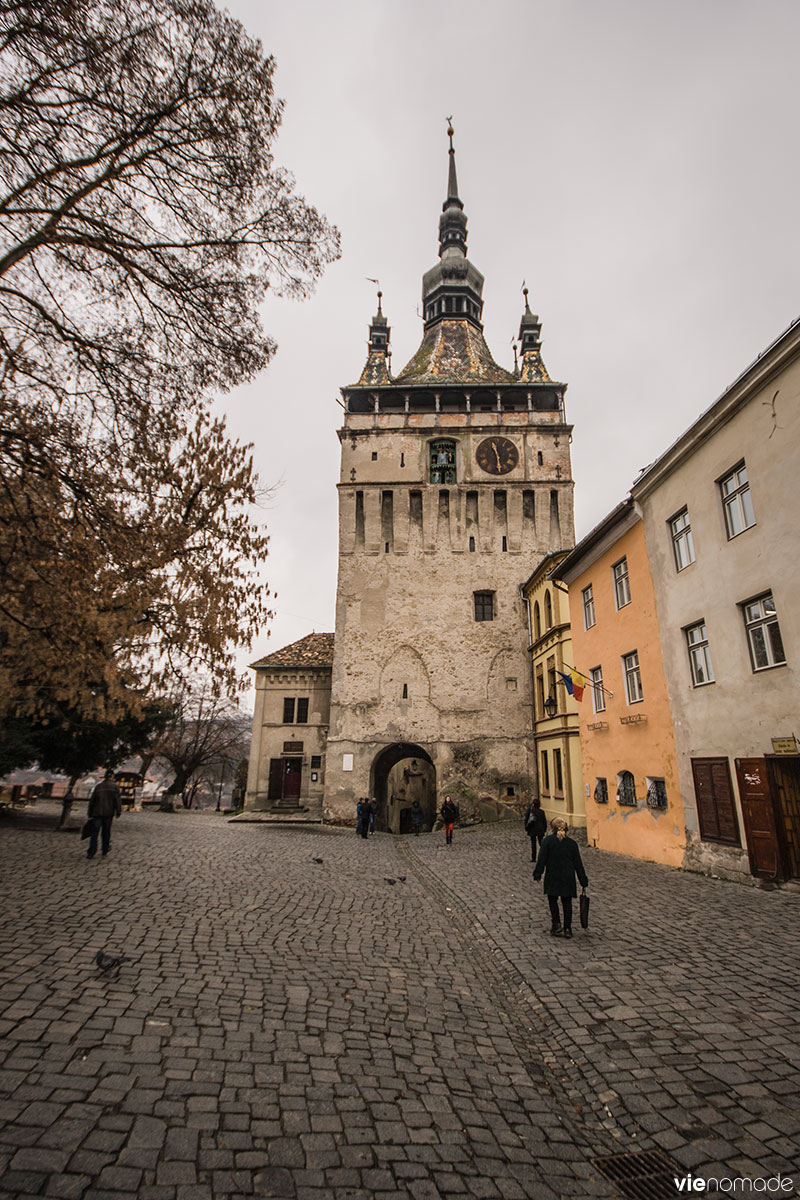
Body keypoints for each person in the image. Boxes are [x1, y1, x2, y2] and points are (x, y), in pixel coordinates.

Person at [533, 817, 588, 939]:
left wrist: (538, 874)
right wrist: (583, 879)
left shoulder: (547, 842)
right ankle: (567, 928)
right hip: (567, 877)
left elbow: (542, 859)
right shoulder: (572, 844)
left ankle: (556, 925)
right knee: (566, 902)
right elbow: (578, 864)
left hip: (553, 876)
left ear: (552, 829)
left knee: (553, 901)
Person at [86, 771, 122, 859]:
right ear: (112, 776)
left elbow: (92, 801)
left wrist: (90, 812)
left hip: (97, 813)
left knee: (94, 833)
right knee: (106, 832)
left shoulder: (98, 786)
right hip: (108, 813)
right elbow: (117, 800)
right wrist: (118, 811)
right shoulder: (115, 787)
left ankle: (91, 851)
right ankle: (104, 850)